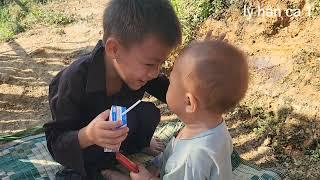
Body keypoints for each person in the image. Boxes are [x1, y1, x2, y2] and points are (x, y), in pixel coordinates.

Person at [43, 0, 182, 179]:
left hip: (118, 136)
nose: (155, 73)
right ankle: (103, 170)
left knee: (148, 113)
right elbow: (57, 144)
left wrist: (196, 73)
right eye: (150, 64)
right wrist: (88, 135)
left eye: (160, 64)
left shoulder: (138, 68)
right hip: (88, 147)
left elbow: (171, 93)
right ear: (114, 49)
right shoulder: (73, 80)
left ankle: (137, 146)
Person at [105, 40, 249, 180]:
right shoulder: (212, 128)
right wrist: (157, 167)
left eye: (172, 81)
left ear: (188, 102)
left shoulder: (190, 157)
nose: (166, 82)